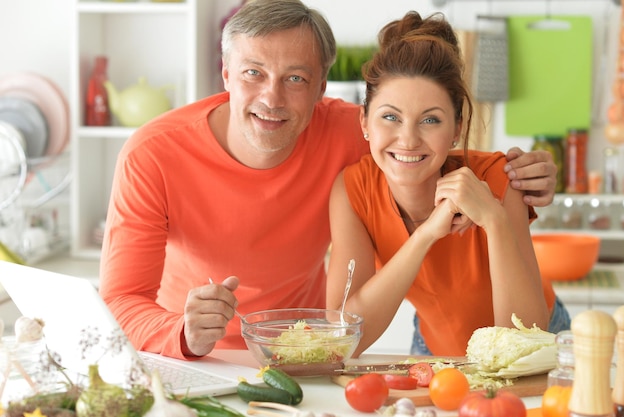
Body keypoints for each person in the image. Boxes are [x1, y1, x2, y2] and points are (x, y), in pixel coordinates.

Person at [99, 0, 558, 360]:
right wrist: (181, 332)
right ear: (225, 75)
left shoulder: (356, 136)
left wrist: (525, 175)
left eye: (295, 78)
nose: (272, 98)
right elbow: (121, 299)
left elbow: (425, 147)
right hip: (194, 354)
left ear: (322, 90)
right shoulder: (152, 155)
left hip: (300, 354)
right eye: (253, 73)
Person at [326, 10, 570, 358]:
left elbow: (524, 342)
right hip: (434, 349)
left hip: (543, 342)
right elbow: (341, 339)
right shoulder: (353, 190)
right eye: (390, 117)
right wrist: (426, 234)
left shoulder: (497, 179)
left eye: (430, 120)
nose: (408, 140)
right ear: (364, 121)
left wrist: (495, 219)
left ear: (456, 129)